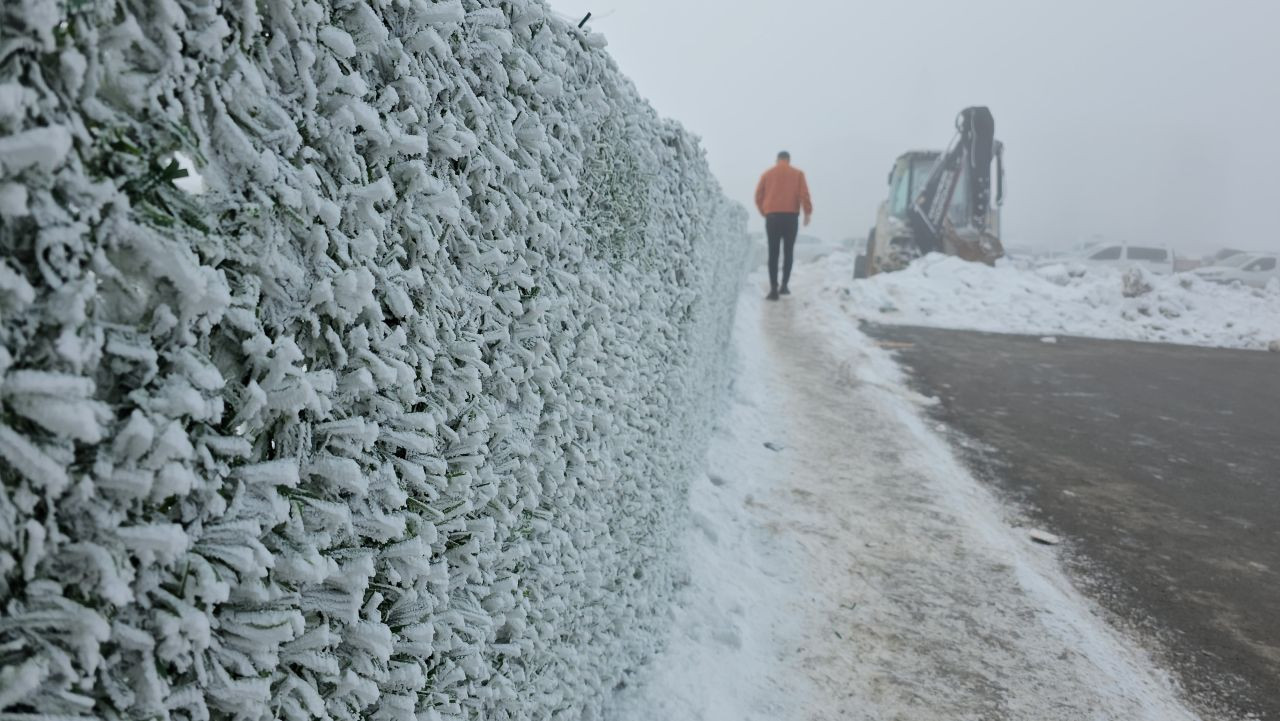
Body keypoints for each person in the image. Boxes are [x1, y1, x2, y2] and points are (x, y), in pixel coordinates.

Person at [754, 151, 813, 300]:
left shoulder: (767, 174)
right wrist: (807, 212)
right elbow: (804, 194)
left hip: (772, 217)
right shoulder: (798, 174)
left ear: (777, 160)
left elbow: (758, 196)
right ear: (788, 160)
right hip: (790, 218)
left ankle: (773, 289)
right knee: (788, 252)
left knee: (773, 253)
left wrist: (765, 212)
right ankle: (784, 286)